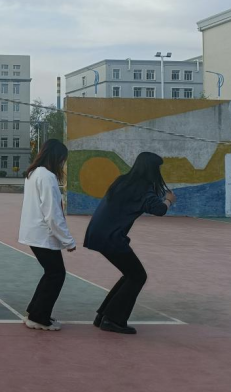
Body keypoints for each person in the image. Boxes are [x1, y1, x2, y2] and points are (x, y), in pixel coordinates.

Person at [85, 152, 177, 335]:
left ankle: (103, 316)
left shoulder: (123, 181)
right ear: (152, 169)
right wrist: (169, 200)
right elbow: (159, 209)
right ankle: (112, 319)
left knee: (130, 274)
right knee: (137, 276)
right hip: (111, 237)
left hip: (98, 233)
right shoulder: (142, 188)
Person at [18, 139, 76, 332]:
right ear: (57, 157)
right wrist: (68, 241)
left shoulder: (33, 173)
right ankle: (39, 317)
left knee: (51, 273)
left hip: (34, 233)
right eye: (62, 160)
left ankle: (34, 312)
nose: (62, 164)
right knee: (56, 274)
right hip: (43, 234)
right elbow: (52, 213)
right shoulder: (47, 177)